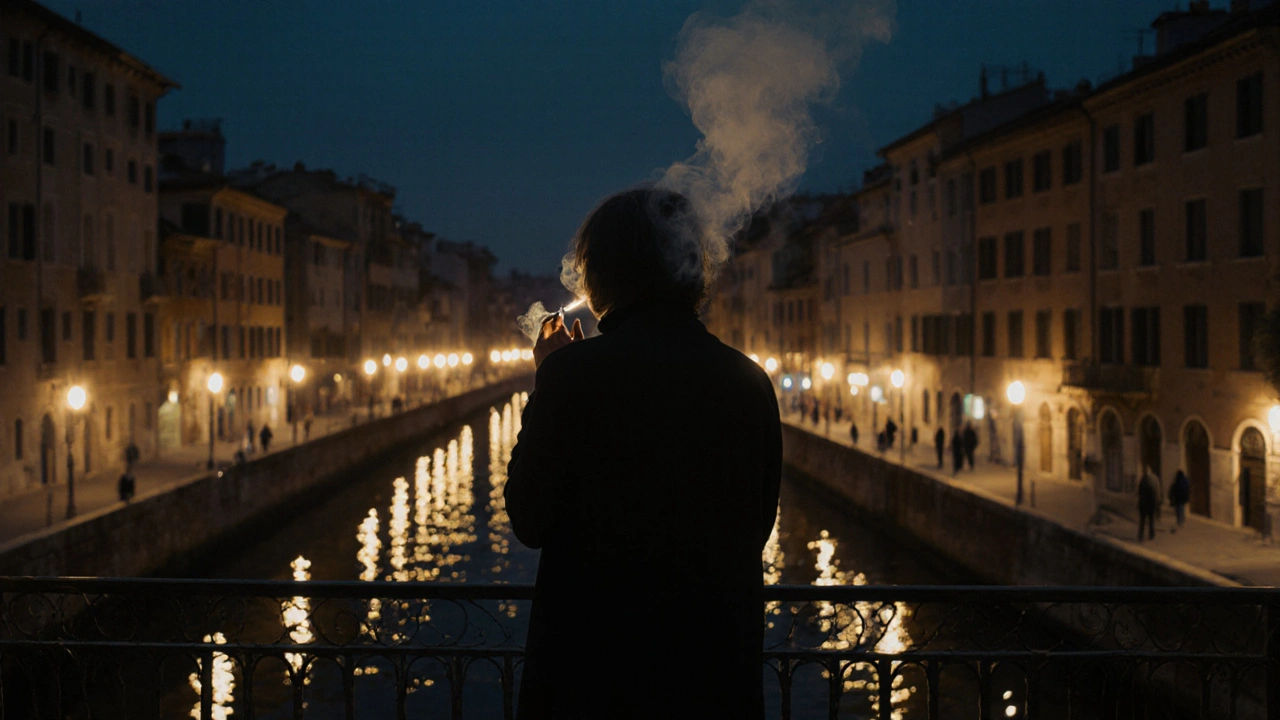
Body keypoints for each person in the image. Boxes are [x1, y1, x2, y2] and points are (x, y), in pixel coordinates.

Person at [505, 187, 781, 720]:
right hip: (713, 678)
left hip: (590, 680)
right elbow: (759, 524)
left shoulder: (572, 376)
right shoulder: (750, 381)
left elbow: (528, 518)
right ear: (691, 270)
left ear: (602, 272)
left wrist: (551, 381)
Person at [1138, 465, 1158, 541]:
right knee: (1151, 520)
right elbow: (1157, 490)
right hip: (1151, 504)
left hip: (1143, 504)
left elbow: (1139, 492)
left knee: (1142, 521)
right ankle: (1151, 534)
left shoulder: (1142, 480)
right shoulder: (1154, 479)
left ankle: (1140, 535)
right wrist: (1157, 501)